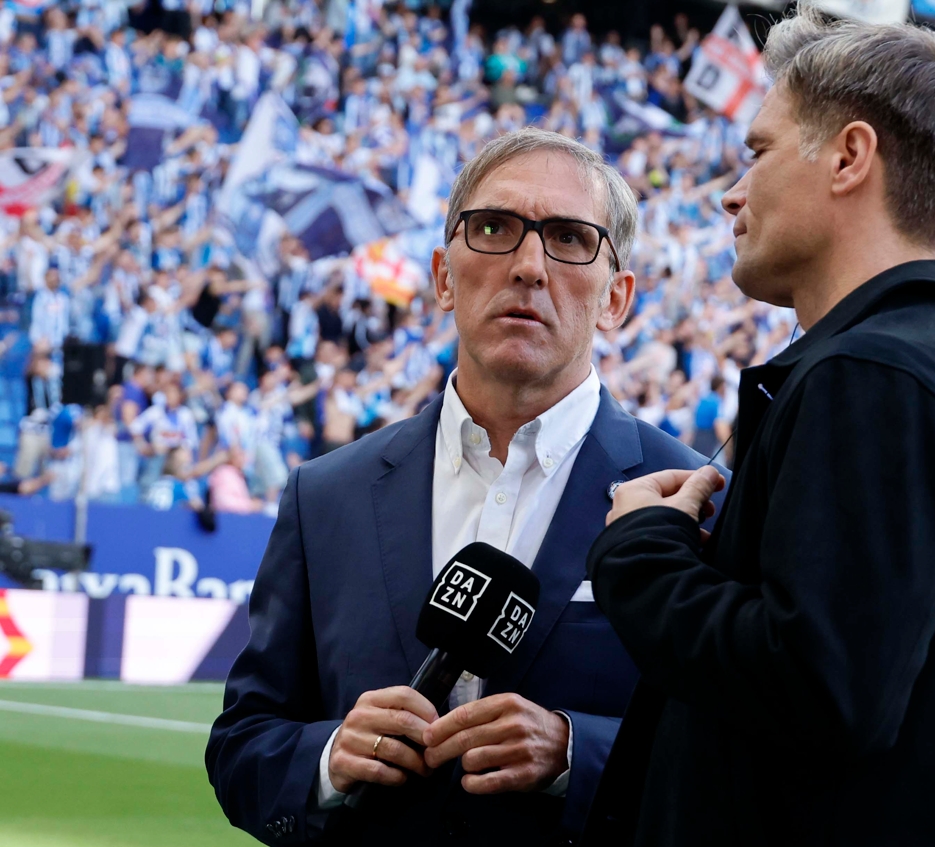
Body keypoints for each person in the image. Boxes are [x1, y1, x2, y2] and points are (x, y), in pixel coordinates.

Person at [582, 9, 935, 847]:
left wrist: (640, 549)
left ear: (849, 156)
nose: (730, 192)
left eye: (757, 151)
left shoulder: (874, 374)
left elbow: (817, 687)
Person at [207, 129, 722, 846]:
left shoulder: (699, 501)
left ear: (616, 298)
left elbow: (747, 759)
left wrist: (577, 754)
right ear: (444, 278)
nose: (529, 266)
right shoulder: (324, 496)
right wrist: (328, 759)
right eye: (494, 228)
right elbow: (242, 743)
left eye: (570, 238)